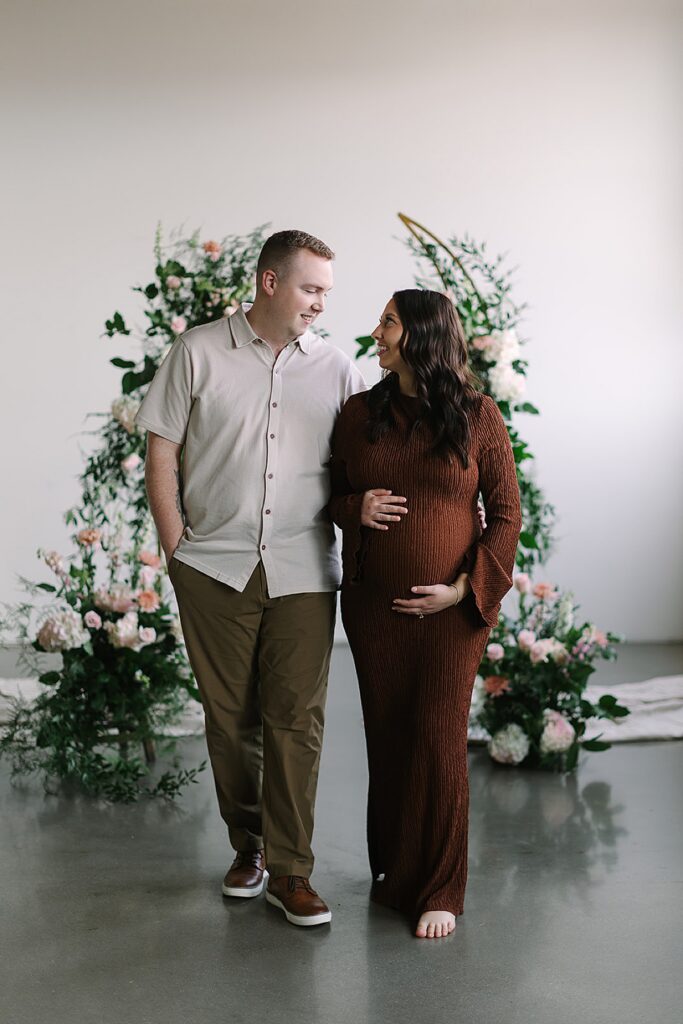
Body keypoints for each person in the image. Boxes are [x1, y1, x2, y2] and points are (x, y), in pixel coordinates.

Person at [136, 230, 365, 928]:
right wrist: (176, 551)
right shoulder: (197, 352)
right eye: (310, 288)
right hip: (213, 567)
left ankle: (292, 871)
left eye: (326, 290)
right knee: (230, 723)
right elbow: (161, 450)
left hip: (302, 569)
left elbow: (361, 465)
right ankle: (250, 846)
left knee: (297, 722)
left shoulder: (337, 369)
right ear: (270, 283)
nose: (321, 303)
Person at [328, 289, 522, 939]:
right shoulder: (358, 412)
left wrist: (466, 588)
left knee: (437, 741)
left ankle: (440, 887)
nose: (374, 332)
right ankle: (396, 874)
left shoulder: (477, 415)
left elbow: (504, 511)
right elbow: (330, 489)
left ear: (421, 334)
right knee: (388, 740)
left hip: (451, 613)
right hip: (372, 609)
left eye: (386, 321)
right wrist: (353, 508)